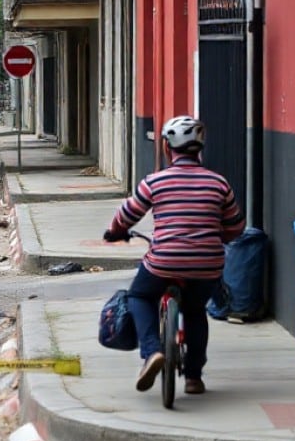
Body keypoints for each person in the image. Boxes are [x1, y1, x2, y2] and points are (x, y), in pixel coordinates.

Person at [102, 116, 244, 396]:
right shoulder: (219, 183)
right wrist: (217, 239)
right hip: (208, 265)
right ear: (199, 148)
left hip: (164, 261)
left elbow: (127, 214)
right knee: (195, 311)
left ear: (168, 148)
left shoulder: (155, 182)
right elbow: (236, 226)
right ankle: (193, 378)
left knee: (139, 297)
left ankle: (152, 352)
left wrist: (115, 232)